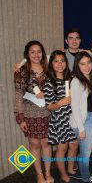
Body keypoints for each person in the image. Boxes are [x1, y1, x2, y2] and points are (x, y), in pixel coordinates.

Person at [14, 40, 54, 183]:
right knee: (35, 144)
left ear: (42, 53)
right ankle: (39, 174)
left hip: (48, 113)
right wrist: (20, 118)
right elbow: (18, 95)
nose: (36, 55)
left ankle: (48, 172)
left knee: (47, 143)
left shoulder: (49, 68)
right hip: (30, 114)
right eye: (32, 52)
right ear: (27, 54)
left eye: (39, 51)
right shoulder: (22, 71)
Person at [70, 51, 92, 182]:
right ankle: (86, 177)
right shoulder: (76, 81)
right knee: (86, 153)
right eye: (82, 64)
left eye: (88, 63)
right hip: (82, 121)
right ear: (77, 65)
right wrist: (81, 129)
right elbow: (75, 107)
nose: (86, 66)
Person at [44, 50, 78, 183]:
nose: (60, 64)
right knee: (62, 148)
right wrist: (60, 103)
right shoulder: (49, 83)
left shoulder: (71, 79)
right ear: (51, 64)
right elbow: (49, 106)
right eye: (56, 61)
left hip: (72, 118)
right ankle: (63, 174)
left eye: (62, 61)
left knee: (74, 144)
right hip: (60, 120)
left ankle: (70, 168)